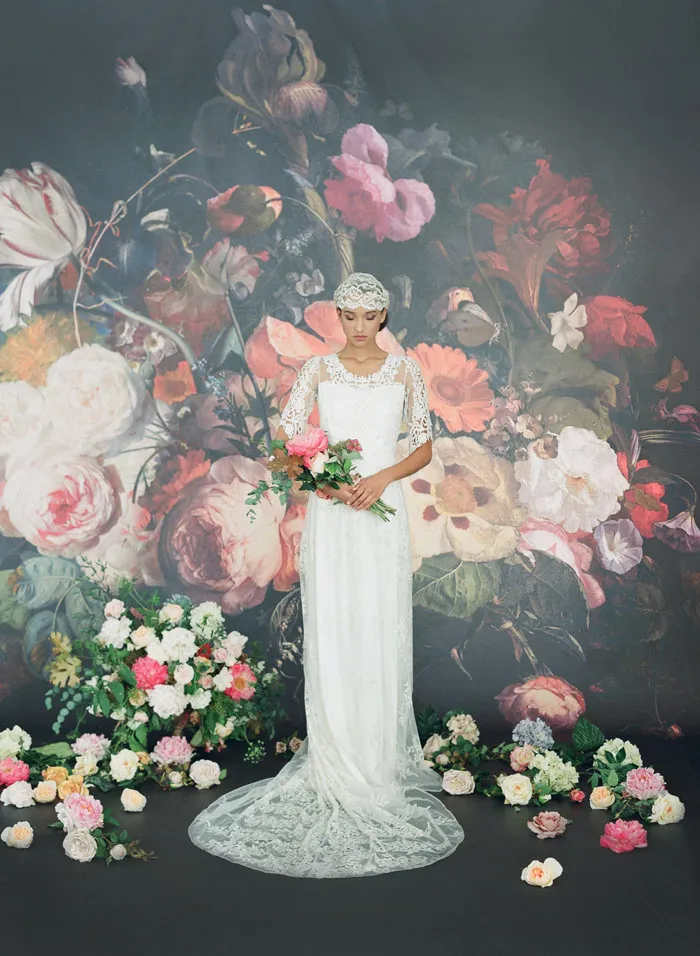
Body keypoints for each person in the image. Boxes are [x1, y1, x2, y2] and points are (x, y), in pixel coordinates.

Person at [188, 272, 465, 877]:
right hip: (334, 514)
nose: (361, 327)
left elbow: (422, 442)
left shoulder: (405, 371)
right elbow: (291, 441)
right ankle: (337, 756)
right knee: (336, 624)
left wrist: (382, 478)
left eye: (371, 316)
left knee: (377, 622)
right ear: (339, 316)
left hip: (379, 511)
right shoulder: (317, 372)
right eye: (351, 316)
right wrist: (327, 480)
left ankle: (376, 758)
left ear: (385, 316)